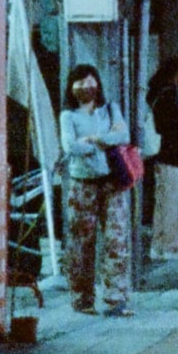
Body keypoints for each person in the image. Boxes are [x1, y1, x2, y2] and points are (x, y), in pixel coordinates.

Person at [53, 66, 133, 317]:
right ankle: (82, 298)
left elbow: (124, 135)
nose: (86, 87)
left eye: (90, 82)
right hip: (82, 183)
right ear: (71, 88)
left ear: (98, 84)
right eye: (80, 83)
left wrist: (93, 140)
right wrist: (104, 140)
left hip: (112, 182)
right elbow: (70, 146)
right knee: (81, 243)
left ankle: (116, 299)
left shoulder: (110, 109)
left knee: (116, 240)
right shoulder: (68, 116)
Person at [145, 58, 178, 266]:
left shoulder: (156, 92)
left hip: (160, 156)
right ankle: (171, 246)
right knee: (174, 203)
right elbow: (171, 122)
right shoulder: (169, 92)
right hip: (172, 155)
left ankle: (158, 245)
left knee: (162, 203)